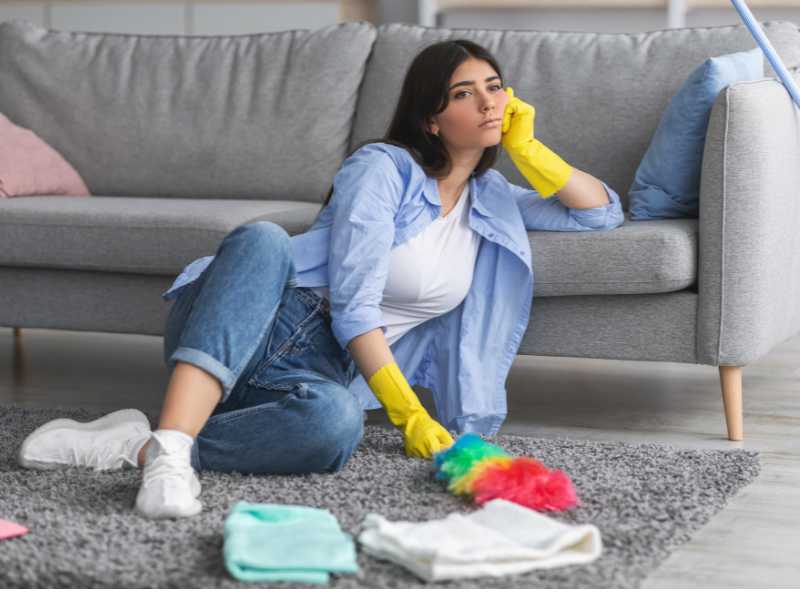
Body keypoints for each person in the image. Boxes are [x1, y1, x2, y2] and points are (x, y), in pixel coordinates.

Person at [17, 39, 624, 520]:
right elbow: (356, 305)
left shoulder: (493, 199)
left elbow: (600, 212)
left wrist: (530, 149)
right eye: (464, 94)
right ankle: (174, 447)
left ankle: (146, 446)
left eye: (495, 88)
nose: (489, 103)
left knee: (336, 428)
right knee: (262, 239)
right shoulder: (382, 168)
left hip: (323, 371)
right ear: (432, 119)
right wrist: (409, 413)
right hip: (253, 318)